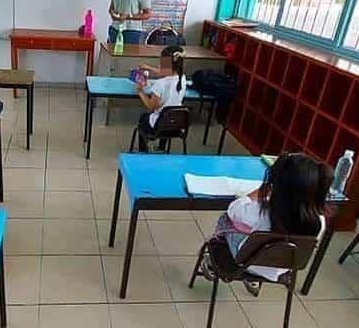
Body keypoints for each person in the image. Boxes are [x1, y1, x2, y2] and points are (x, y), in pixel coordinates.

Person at [204, 153, 333, 296]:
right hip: (283, 267)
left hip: (247, 263)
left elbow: (233, 210)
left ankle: (211, 262)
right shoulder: (320, 221)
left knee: (226, 219)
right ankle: (253, 279)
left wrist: (253, 195)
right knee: (264, 235)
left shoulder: (262, 212)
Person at [134, 48, 187, 152]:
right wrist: (148, 67)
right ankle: (161, 148)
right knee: (167, 114)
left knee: (143, 118)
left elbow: (151, 107)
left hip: (159, 126)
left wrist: (140, 91)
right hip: (175, 124)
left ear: (166, 64)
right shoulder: (182, 78)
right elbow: (165, 72)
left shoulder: (160, 84)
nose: (159, 64)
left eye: (162, 62)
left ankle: (142, 150)